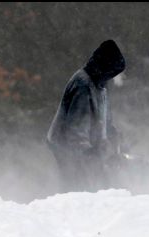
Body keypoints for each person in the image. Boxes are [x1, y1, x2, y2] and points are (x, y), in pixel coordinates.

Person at [47, 39, 126, 192]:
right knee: (79, 188)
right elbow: (75, 131)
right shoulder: (83, 86)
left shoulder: (100, 85)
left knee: (96, 183)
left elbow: (104, 119)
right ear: (105, 66)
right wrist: (90, 154)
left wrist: (114, 139)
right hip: (66, 147)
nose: (113, 76)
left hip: (87, 145)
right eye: (112, 71)